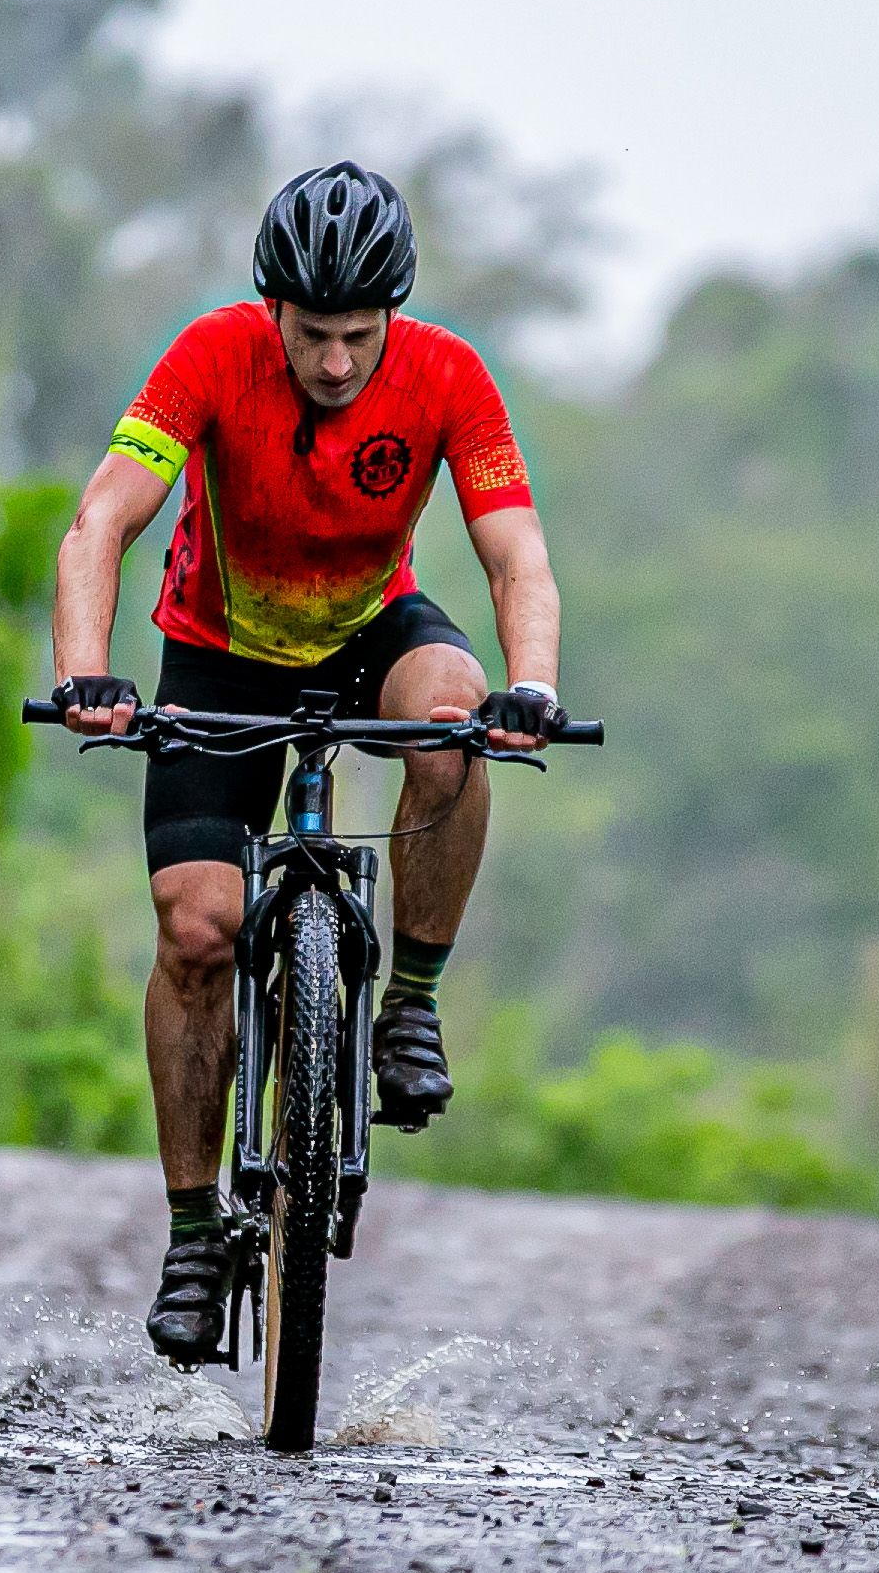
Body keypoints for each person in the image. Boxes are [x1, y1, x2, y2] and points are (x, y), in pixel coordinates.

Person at [44, 161, 568, 1366]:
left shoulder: (448, 376)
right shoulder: (211, 355)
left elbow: (515, 553)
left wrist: (533, 685)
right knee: (197, 932)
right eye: (312, 335)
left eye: (359, 338)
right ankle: (193, 1233)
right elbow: (102, 519)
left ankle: (412, 1005)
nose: (335, 363)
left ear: (394, 317)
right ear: (272, 308)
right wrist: (86, 673)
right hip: (219, 653)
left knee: (455, 715)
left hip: (368, 632)